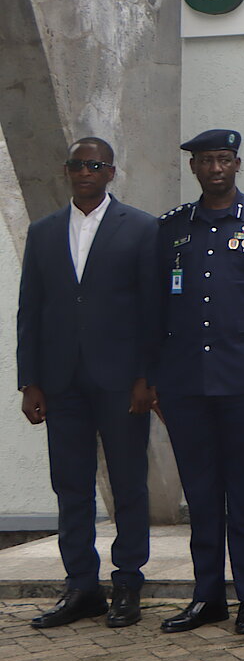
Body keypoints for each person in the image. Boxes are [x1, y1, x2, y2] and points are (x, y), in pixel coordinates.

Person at [15, 137, 160, 629]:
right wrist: (30, 381)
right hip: (61, 382)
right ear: (67, 170)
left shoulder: (141, 228)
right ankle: (81, 586)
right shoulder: (43, 232)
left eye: (95, 165)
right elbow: (30, 311)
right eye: (77, 165)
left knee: (128, 484)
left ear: (111, 173)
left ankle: (128, 582)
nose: (85, 172)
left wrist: (147, 376)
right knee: (70, 485)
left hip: (122, 382)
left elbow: (153, 310)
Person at [155, 128, 244, 635]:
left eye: (224, 159)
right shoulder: (171, 227)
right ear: (194, 167)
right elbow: (154, 308)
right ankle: (207, 596)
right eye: (206, 160)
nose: (216, 168)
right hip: (186, 384)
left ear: (237, 164)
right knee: (201, 494)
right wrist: (154, 379)